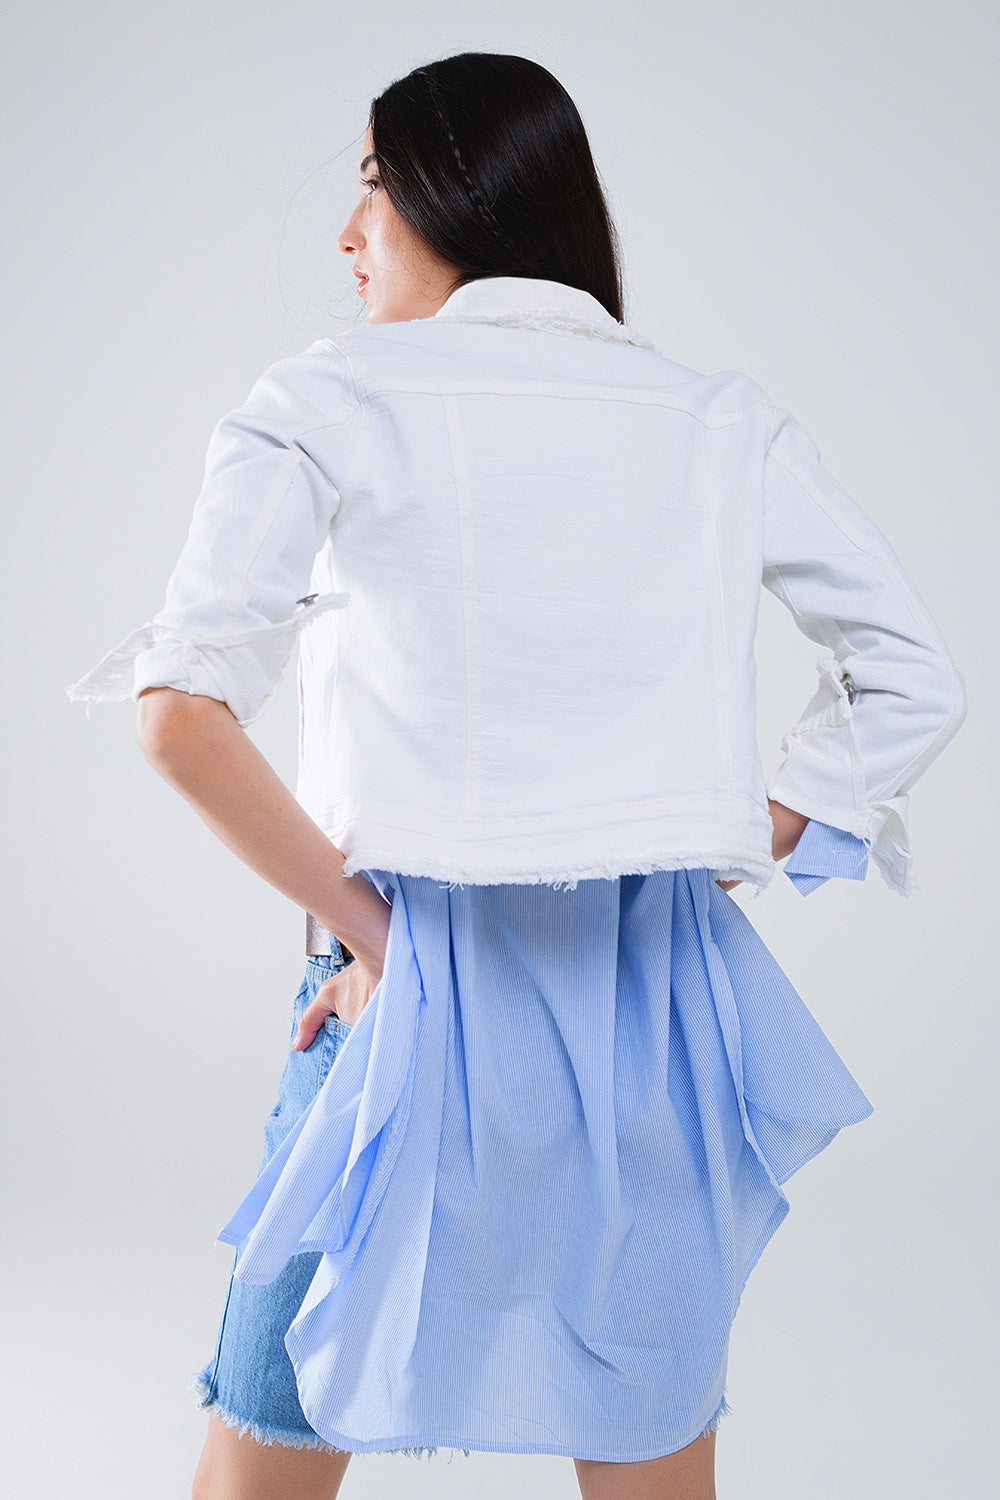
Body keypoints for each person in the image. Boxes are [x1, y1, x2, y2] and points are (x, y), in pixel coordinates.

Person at [66, 51, 967, 1500]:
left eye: (369, 181)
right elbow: (910, 671)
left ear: (448, 184)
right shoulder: (717, 418)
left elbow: (180, 715)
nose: (347, 232)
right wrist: (753, 822)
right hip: (650, 1012)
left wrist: (376, 933)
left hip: (404, 1004)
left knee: (269, 1439)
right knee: (644, 1438)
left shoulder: (330, 393)